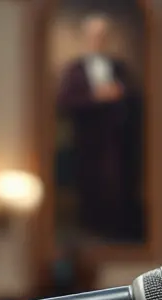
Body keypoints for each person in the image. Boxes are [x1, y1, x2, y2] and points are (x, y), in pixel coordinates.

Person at [56, 15, 142, 243]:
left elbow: (134, 97)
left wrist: (119, 94)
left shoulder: (119, 67)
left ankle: (118, 234)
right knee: (92, 190)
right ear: (86, 38)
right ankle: (92, 233)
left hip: (119, 142)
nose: (98, 40)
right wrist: (96, 97)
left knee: (119, 189)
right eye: (94, 35)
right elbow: (65, 102)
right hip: (88, 142)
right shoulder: (75, 70)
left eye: (103, 36)